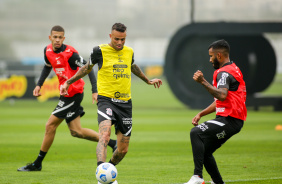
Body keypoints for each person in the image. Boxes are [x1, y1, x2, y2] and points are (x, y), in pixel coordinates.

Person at [60, 23, 162, 184]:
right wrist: (68, 82)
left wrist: (148, 81)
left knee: (123, 150)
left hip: (125, 104)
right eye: (116, 39)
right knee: (105, 135)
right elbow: (86, 68)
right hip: (106, 100)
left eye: (122, 39)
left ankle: (107, 172)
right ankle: (101, 170)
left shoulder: (129, 52)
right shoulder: (99, 51)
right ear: (110, 36)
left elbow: (133, 66)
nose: (120, 43)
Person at [17, 25, 116, 172]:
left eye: (60, 37)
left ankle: (37, 164)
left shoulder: (71, 53)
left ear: (64, 38)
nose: (57, 40)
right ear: (50, 38)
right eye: (54, 37)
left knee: (50, 126)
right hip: (66, 94)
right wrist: (39, 85)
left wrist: (94, 90)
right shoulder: (47, 51)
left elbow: (88, 67)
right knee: (76, 131)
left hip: (74, 93)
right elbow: (47, 66)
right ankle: (112, 143)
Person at [184, 39, 247, 184]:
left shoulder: (224, 73)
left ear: (219, 56)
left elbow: (222, 95)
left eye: (211, 56)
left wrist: (203, 82)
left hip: (230, 120)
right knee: (204, 152)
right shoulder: (233, 68)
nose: (210, 59)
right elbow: (222, 100)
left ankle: (197, 177)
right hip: (233, 119)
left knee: (196, 133)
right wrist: (201, 113)